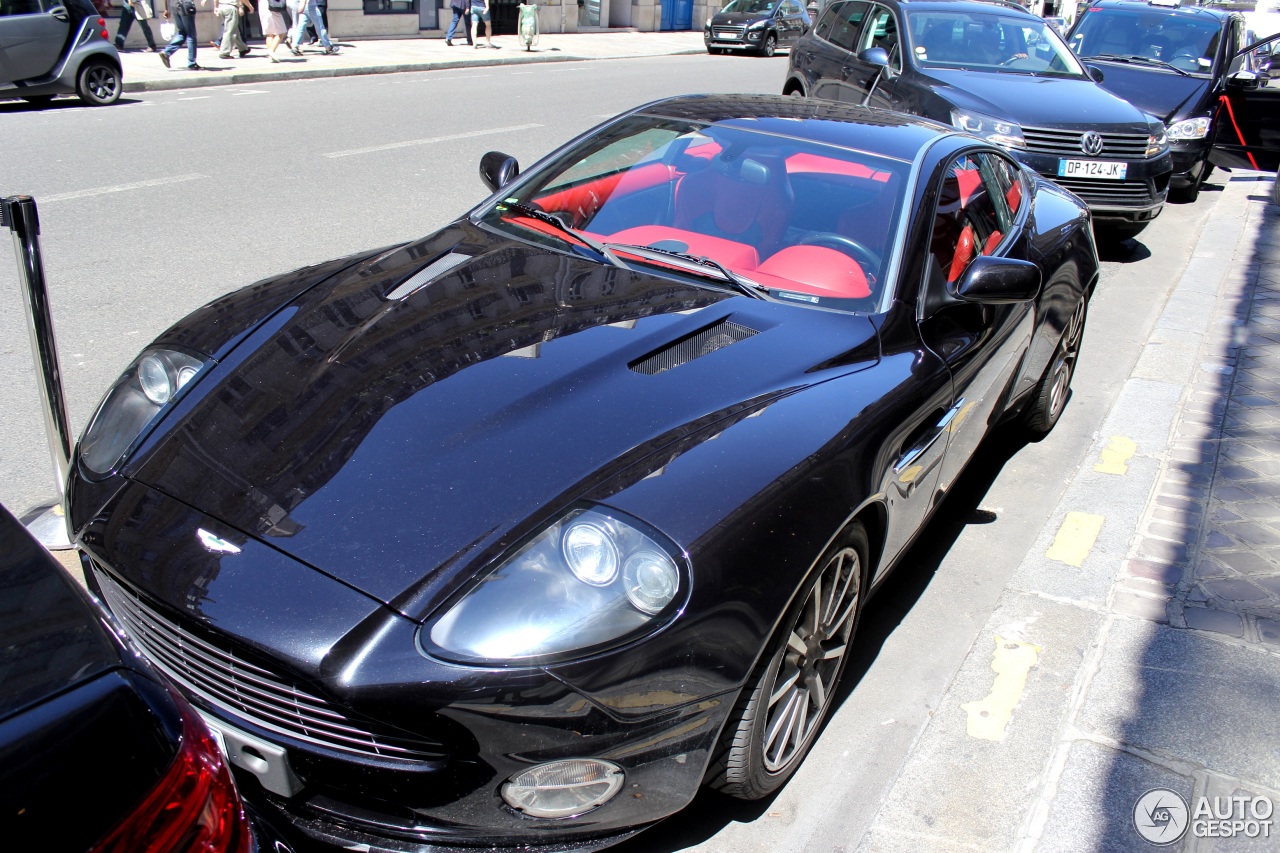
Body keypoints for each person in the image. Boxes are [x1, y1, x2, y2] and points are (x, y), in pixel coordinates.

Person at [159, 0, 212, 70]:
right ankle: (192, 63)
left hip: (174, 5)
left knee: (182, 32)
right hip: (185, 5)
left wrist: (166, 9)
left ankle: (166, 52)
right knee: (191, 35)